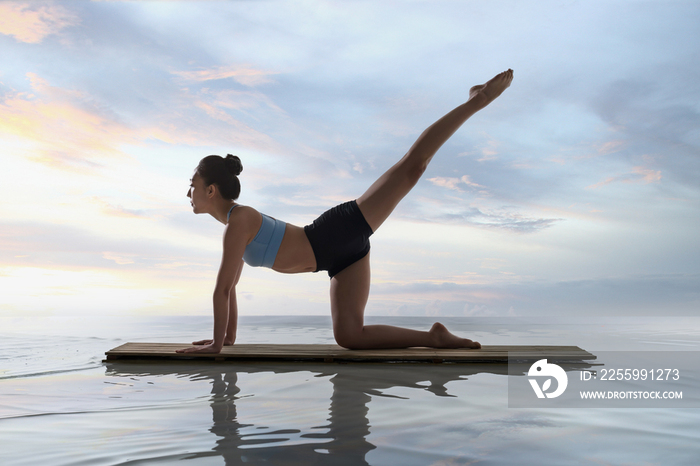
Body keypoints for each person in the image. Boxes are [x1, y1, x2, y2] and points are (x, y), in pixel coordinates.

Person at [177, 69, 513, 354]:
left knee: (413, 168)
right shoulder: (236, 224)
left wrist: (216, 347)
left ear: (211, 190)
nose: (188, 192)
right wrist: (227, 339)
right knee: (349, 337)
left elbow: (221, 290)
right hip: (336, 261)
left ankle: (477, 100)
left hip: (334, 233)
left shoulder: (240, 220)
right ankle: (433, 337)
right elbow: (231, 288)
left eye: (193, 183)